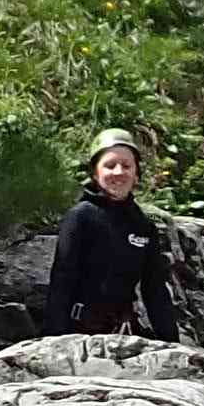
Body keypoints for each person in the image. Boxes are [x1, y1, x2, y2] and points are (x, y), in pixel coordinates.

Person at [43, 128, 178, 340]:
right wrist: (53, 339)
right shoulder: (81, 217)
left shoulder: (143, 226)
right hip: (76, 332)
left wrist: (172, 344)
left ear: (136, 173)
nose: (118, 172)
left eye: (126, 166)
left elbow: (155, 291)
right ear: (95, 173)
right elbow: (62, 279)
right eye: (109, 165)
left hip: (123, 333)